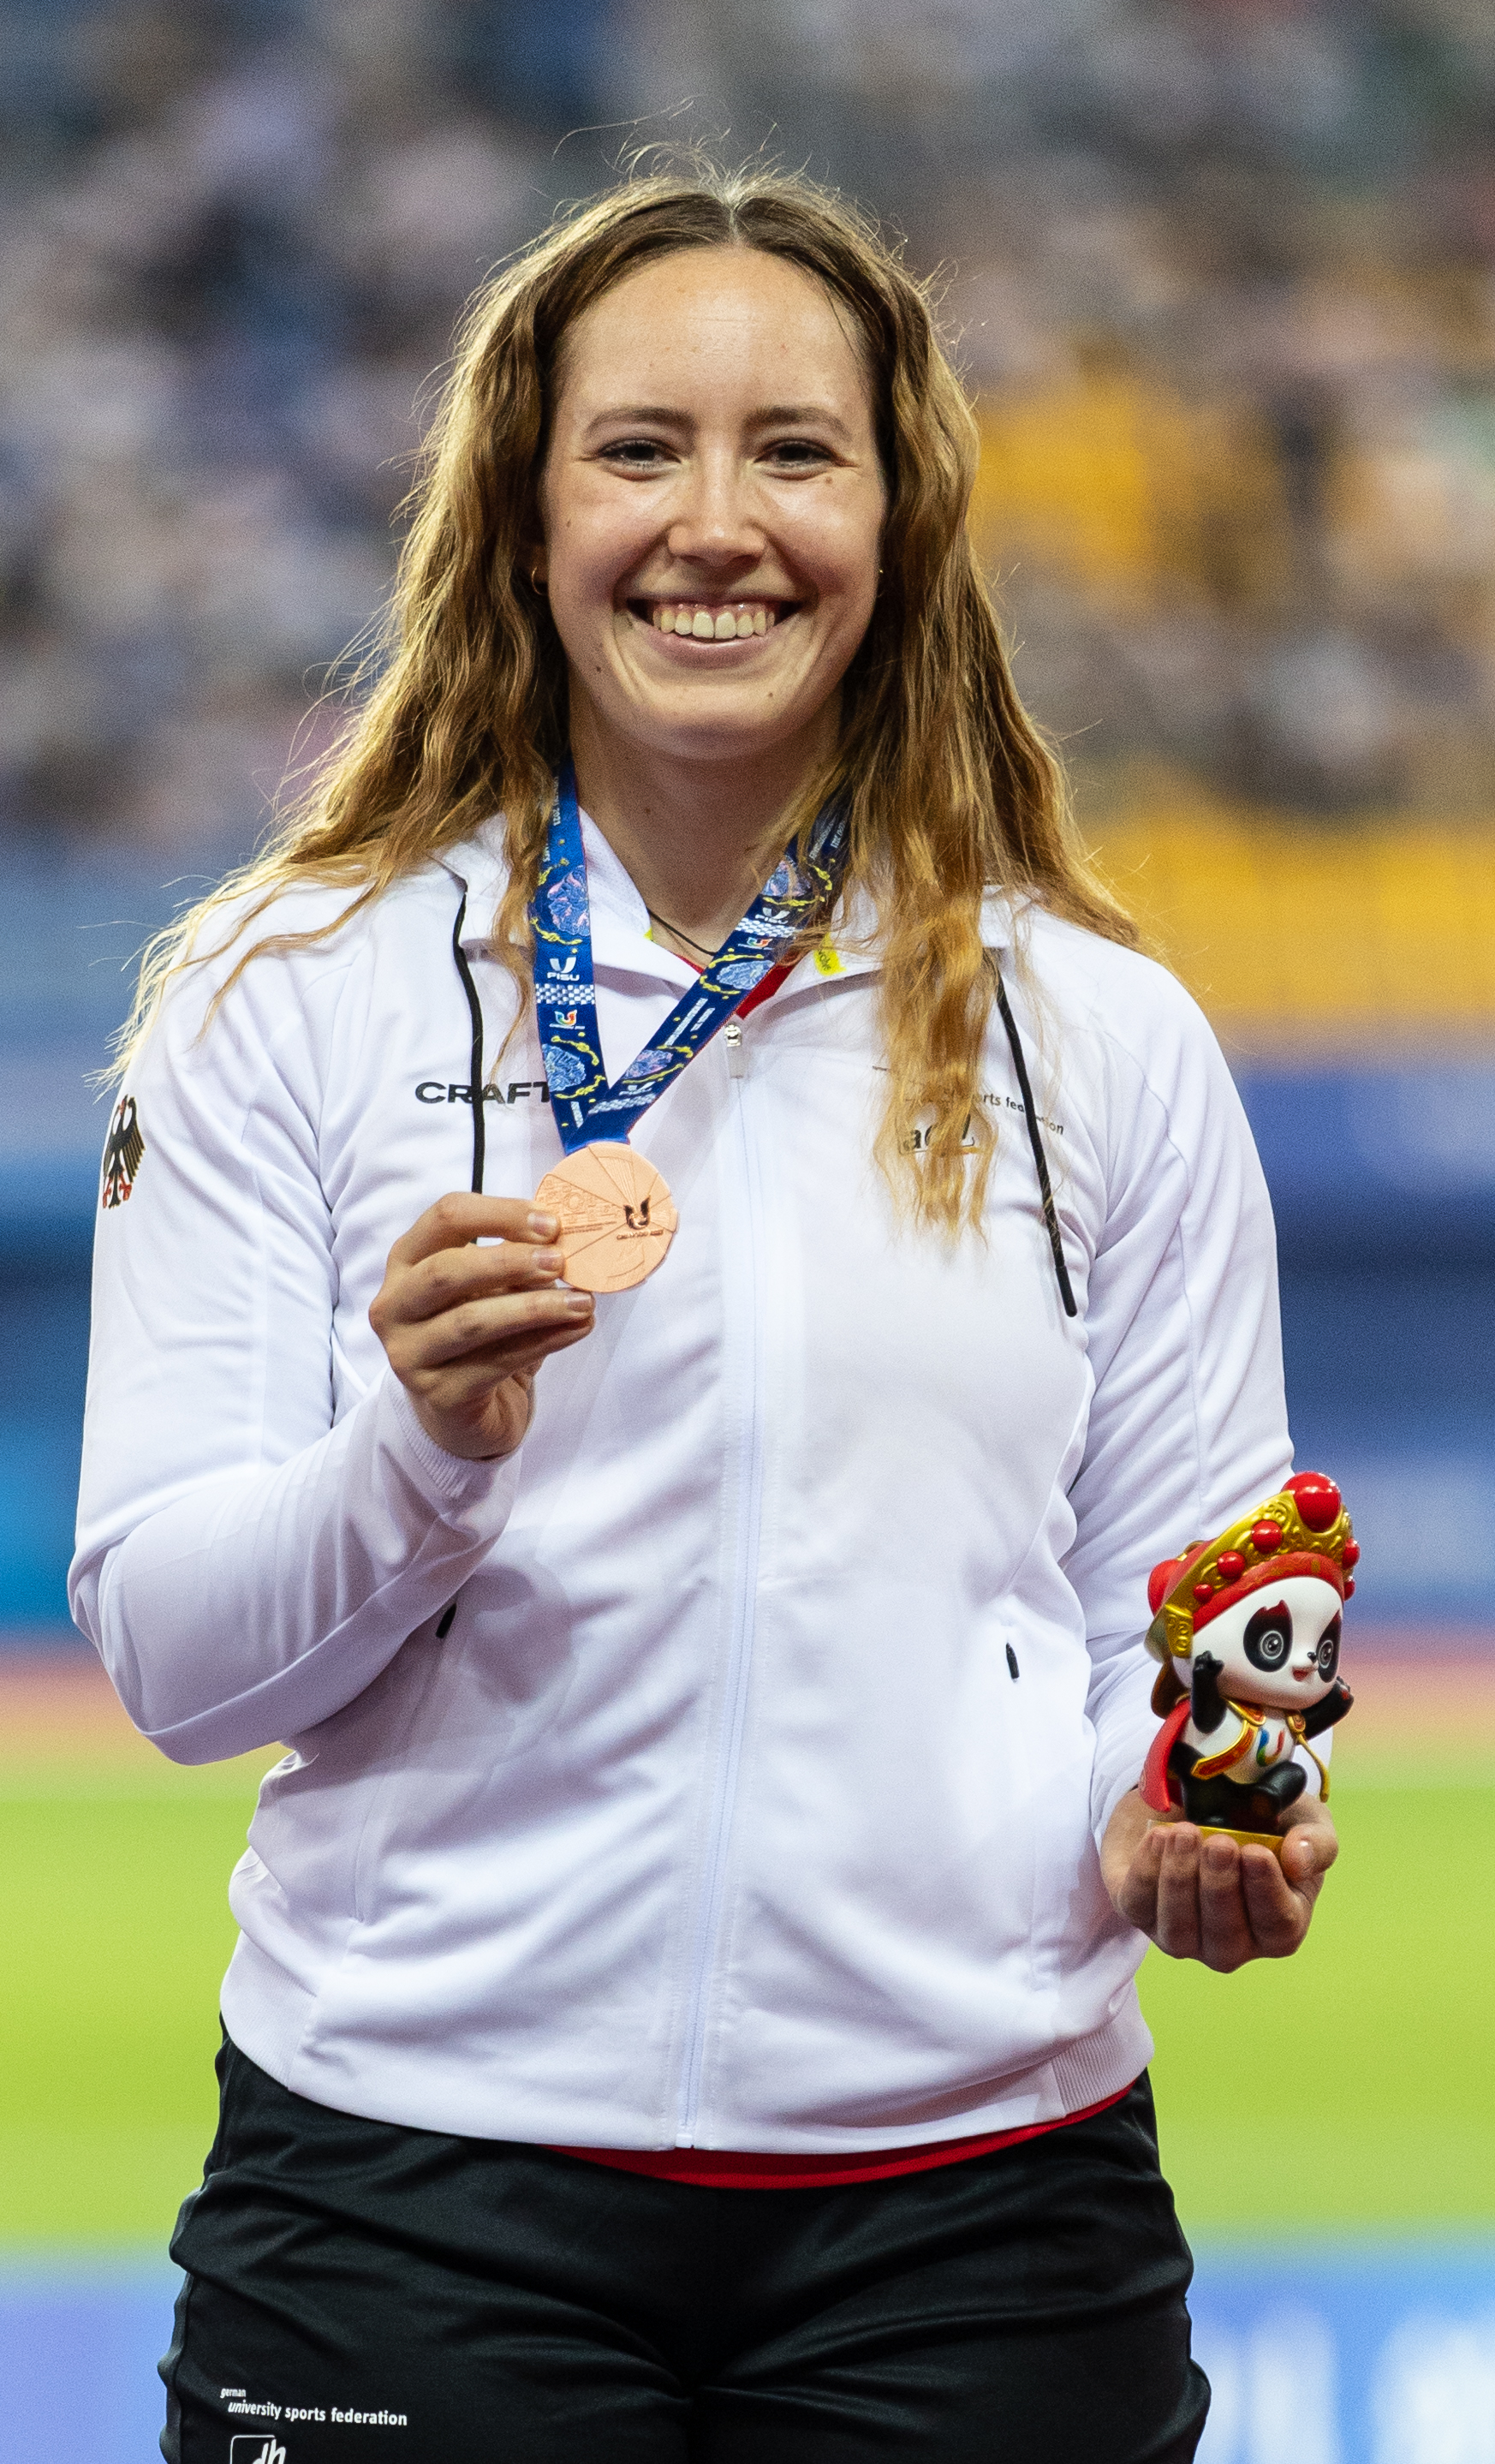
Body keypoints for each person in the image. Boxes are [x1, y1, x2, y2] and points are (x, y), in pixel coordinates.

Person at [71, 164, 1338, 2463]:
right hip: (413, 2201)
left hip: (981, 2216)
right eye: (639, 449)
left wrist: (1209, 1795)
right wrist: (417, 1455)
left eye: (795, 451)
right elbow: (171, 1663)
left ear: (899, 516)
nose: (715, 523)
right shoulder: (289, 995)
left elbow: (1215, 1583)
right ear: (522, 514)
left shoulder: (1098, 1028)